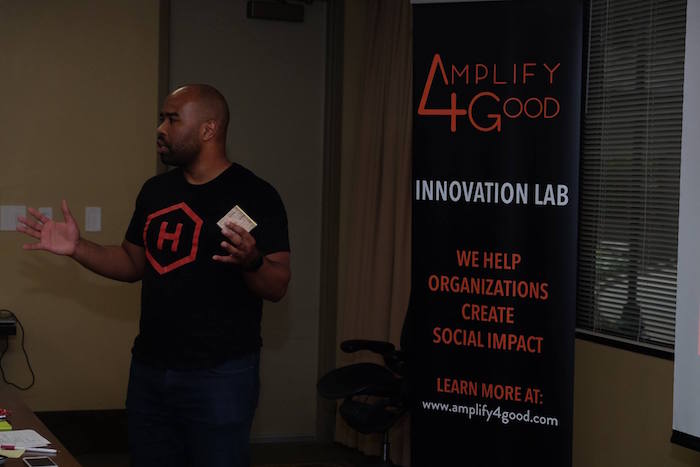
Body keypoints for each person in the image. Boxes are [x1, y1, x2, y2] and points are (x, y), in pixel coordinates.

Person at [16, 84, 291, 467]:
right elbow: (132, 263)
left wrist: (252, 261)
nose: (161, 129)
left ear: (209, 129)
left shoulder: (256, 194)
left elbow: (277, 285)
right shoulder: (156, 191)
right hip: (150, 372)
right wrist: (78, 248)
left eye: (172, 119)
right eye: (161, 118)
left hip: (220, 376)